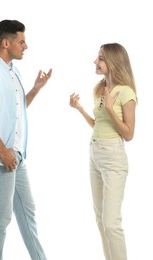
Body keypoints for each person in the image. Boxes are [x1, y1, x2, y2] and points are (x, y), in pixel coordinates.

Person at [0, 19, 52, 260]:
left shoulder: (13, 71)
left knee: (28, 212)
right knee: (1, 217)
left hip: (16, 155)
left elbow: (18, 110)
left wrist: (36, 89)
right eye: (21, 41)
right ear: (5, 43)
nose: (26, 46)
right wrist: (2, 151)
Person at [69, 43, 137, 260]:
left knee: (111, 222)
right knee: (100, 219)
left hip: (113, 157)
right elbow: (99, 124)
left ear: (113, 62)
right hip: (95, 153)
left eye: (100, 58)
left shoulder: (126, 93)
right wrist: (80, 110)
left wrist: (110, 109)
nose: (95, 62)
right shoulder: (100, 89)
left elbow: (128, 134)